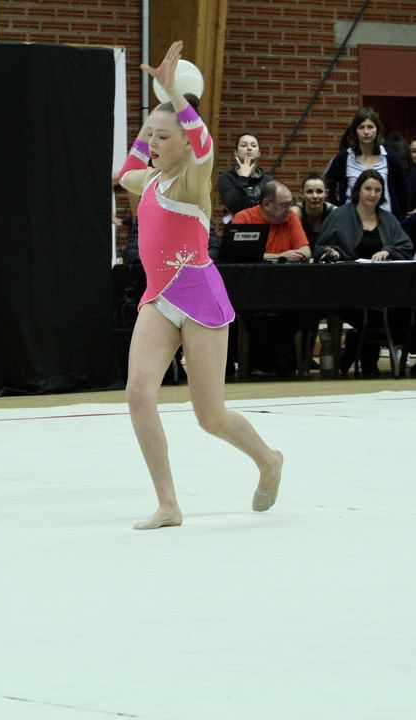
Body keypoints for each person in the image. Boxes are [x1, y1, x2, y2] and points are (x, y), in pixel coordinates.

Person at [115, 41, 283, 530]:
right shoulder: (151, 181)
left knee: (210, 417)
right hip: (159, 299)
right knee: (138, 394)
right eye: (151, 136)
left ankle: (268, 460)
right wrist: (153, 115)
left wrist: (175, 95)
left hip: (199, 299)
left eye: (163, 137)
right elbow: (125, 172)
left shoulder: (193, 178)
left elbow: (204, 144)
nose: (153, 144)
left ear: (185, 143)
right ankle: (168, 503)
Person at [315, 169, 414, 375]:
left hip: (384, 291)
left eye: (378, 190)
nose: (373, 194)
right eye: (368, 188)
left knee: (403, 314)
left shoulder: (388, 219)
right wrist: (333, 252)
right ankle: (366, 356)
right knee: (374, 315)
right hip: (347, 290)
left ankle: (358, 345)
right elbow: (321, 248)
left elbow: (406, 247)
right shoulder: (339, 215)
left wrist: (388, 250)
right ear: (358, 190)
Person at [324, 107, 409, 220]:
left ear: (377, 129)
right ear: (355, 131)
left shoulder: (391, 158)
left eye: (370, 127)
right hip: (351, 220)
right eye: (361, 127)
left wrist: (398, 219)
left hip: (384, 221)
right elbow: (329, 185)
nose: (366, 132)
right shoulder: (344, 158)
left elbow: (403, 192)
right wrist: (338, 210)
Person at [231, 180, 312, 262]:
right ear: (266, 204)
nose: (289, 209)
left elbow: (306, 251)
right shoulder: (244, 218)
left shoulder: (291, 216)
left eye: (290, 204)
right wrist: (280, 257)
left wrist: (296, 255)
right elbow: (237, 254)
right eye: (284, 205)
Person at [217, 132, 273, 222]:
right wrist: (243, 178)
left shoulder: (269, 181)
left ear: (259, 153)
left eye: (253, 145)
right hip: (237, 227)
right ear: (236, 153)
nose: (249, 148)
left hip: (263, 227)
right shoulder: (227, 178)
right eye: (244, 145)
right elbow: (234, 206)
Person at [291, 172, 337, 250]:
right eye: (309, 192)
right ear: (302, 193)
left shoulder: (334, 212)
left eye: (319, 191)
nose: (315, 196)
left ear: (326, 193)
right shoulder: (295, 213)